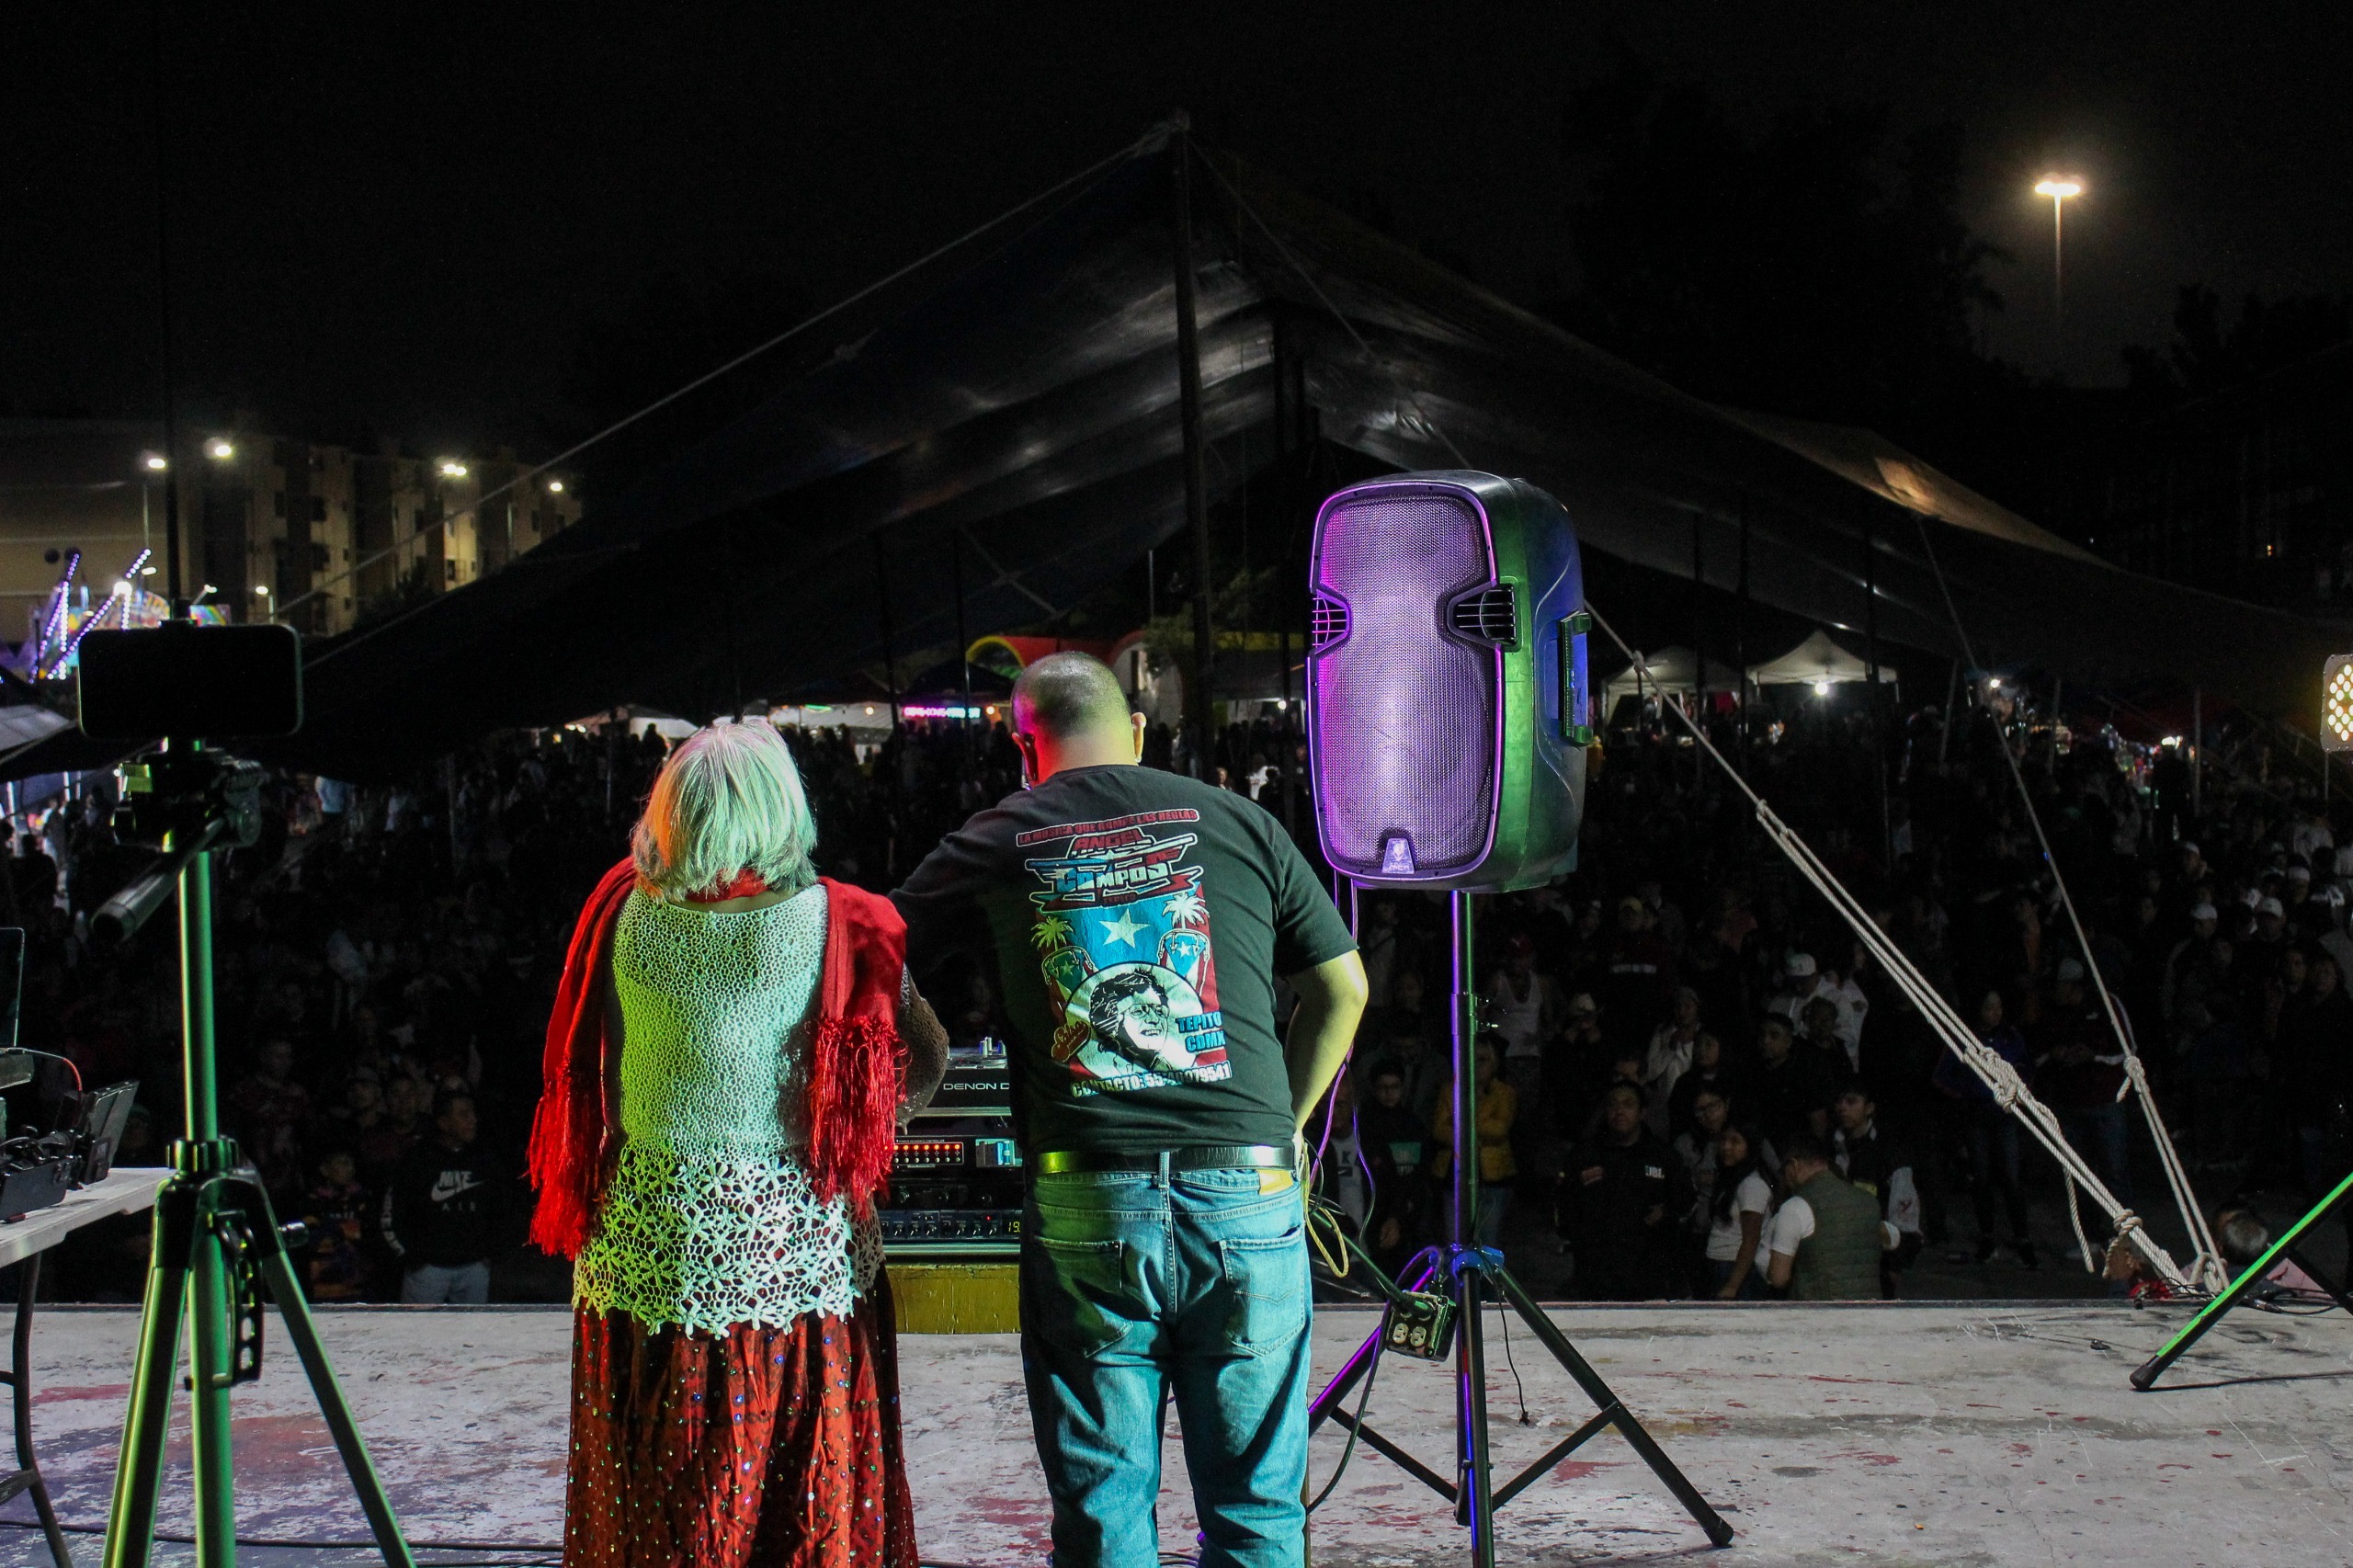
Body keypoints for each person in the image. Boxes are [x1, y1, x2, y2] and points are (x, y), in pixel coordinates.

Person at [892, 653, 1366, 1568]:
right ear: (1140, 729)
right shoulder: (1238, 818)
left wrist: (919, 1062)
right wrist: (1289, 1124)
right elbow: (1342, 987)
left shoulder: (1001, 835)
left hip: (1089, 1198)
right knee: (1258, 1508)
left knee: (1106, 1510)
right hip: (1247, 1185)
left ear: (1022, 742)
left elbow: (870, 946)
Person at [529, 721, 949, 1568]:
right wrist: (856, 1124)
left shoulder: (616, 907)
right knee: (804, 1501)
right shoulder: (847, 924)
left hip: (645, 1247)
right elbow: (926, 1059)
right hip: (797, 1257)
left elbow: (594, 1068)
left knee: (659, 1503)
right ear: (784, 809)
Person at [1932, 990, 2039, 1267]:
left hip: (2005, 1115)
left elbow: (2026, 1069)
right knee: (1982, 1178)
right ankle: (1987, 1235)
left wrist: (2018, 1090)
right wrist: (1970, 1092)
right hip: (1977, 1116)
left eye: (1999, 1007)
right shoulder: (1965, 1040)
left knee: (2012, 1177)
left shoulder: (2011, 1037)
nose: (1995, 1013)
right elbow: (1942, 1075)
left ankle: (2022, 1237)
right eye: (1989, 1008)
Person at [1557, 1082, 1678, 1300]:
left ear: (1642, 1112)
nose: (1619, 1111)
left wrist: (1666, 1212)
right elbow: (1565, 1202)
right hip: (1595, 1273)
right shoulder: (1585, 1154)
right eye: (1612, 1105)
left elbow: (1683, 1199)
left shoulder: (1663, 1156)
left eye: (1628, 1104)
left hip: (1647, 1272)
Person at [382, 1088, 502, 1304]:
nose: (473, 1120)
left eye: (473, 1114)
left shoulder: (485, 1160)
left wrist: (489, 1251)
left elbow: (500, 1208)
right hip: (428, 1270)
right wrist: (411, 1256)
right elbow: (394, 1212)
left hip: (473, 1267)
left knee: (475, 1333)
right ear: (443, 1122)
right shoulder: (417, 1160)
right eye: (463, 1114)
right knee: (417, 1333)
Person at [1765, 1132, 1896, 1301]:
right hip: (1867, 1312)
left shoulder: (1795, 1207)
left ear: (1794, 1166)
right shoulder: (1868, 1202)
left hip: (1820, 1315)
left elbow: (1778, 1278)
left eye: (1784, 1171)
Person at [1830, 1081, 1922, 1296]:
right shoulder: (1835, 1145)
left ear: (1870, 1108)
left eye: (1851, 1102)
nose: (1842, 1108)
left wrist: (1894, 1265)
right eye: (1840, 1102)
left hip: (1877, 1255)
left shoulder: (1890, 1153)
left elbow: (1905, 1217)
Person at [1433, 1034, 1518, 1247]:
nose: (1477, 1065)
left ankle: (1485, 1282)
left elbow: (1499, 1129)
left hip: (1492, 1180)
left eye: (1483, 1060)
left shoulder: (1504, 1093)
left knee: (1488, 1245)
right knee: (1455, 1244)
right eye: (1472, 1059)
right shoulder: (1449, 1090)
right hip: (1454, 1179)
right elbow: (1439, 1129)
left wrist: (1462, 1121)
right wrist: (1475, 1132)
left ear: (1494, 1062)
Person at [1701, 1123, 1773, 1300]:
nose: (1726, 1147)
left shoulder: (1752, 1185)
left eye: (1735, 1142)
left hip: (1735, 1269)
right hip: (1722, 1264)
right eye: (1724, 1140)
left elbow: (1751, 1239)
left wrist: (1732, 1286)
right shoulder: (1733, 1181)